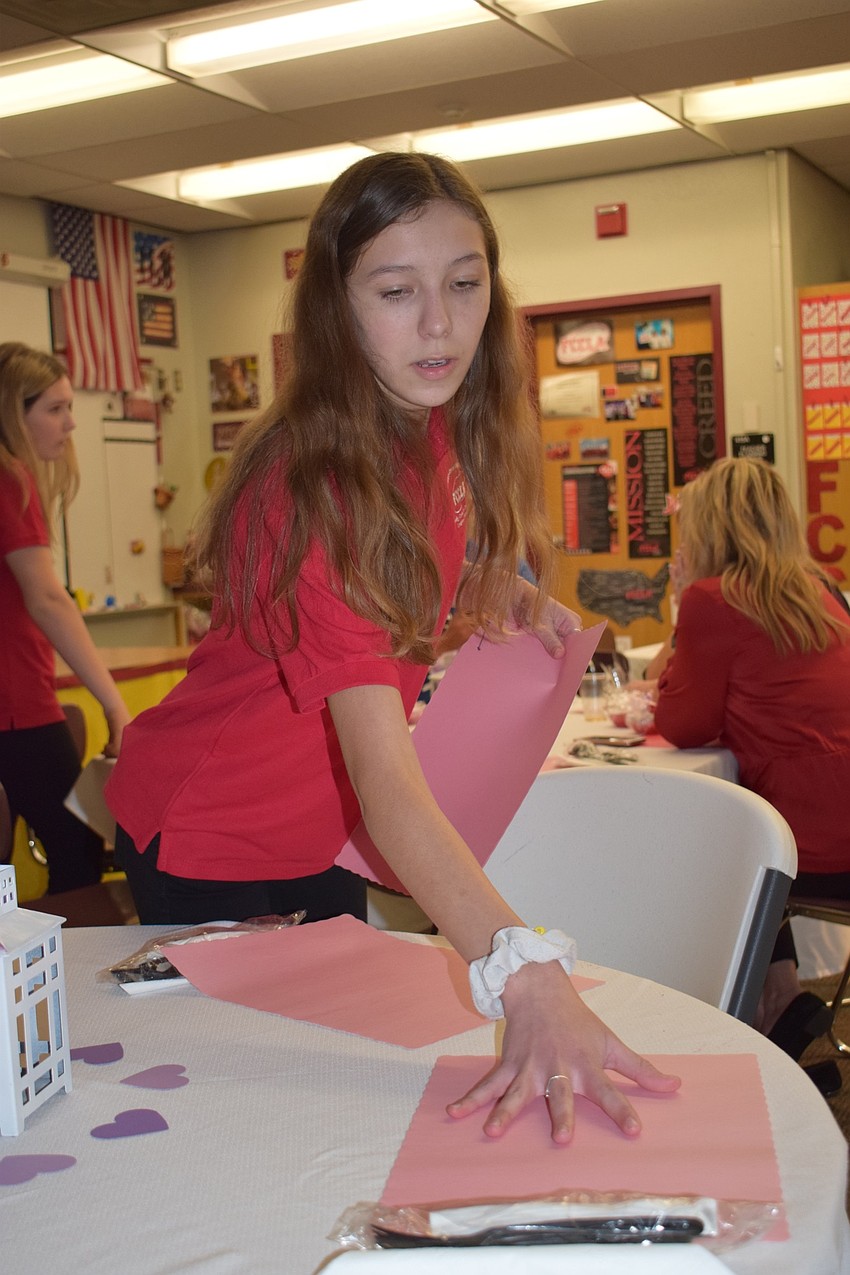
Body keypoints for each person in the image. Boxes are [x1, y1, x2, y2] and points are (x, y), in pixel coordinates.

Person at [106, 152, 678, 1142]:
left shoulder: (427, 431)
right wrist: (524, 971)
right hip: (211, 831)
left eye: (463, 285)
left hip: (316, 827)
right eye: (396, 291)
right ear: (337, 309)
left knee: (331, 1090)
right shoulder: (313, 486)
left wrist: (481, 587)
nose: (439, 324)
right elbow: (388, 779)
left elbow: (395, 598)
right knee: (242, 1115)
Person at [649, 457, 850, 1060]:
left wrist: (682, 603)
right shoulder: (824, 590)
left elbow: (681, 723)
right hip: (836, 825)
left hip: (814, 843)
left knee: (715, 843)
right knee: (750, 830)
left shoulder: (714, 600)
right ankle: (782, 1004)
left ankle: (751, 1031)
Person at [0, 342, 131, 892]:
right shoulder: (10, 480)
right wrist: (115, 703)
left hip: (19, 702)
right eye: (54, 409)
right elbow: (47, 599)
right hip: (16, 708)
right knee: (76, 851)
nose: (70, 423)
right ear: (13, 412)